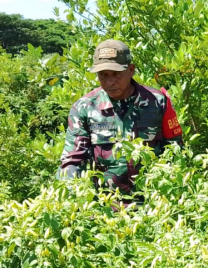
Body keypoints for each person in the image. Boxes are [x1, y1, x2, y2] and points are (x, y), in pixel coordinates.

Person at [58, 40, 183, 194]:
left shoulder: (158, 101)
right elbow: (73, 160)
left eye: (116, 74)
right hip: (104, 205)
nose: (110, 81)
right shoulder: (84, 108)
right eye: (103, 75)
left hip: (153, 203)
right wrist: (73, 192)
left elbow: (176, 151)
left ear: (131, 70)